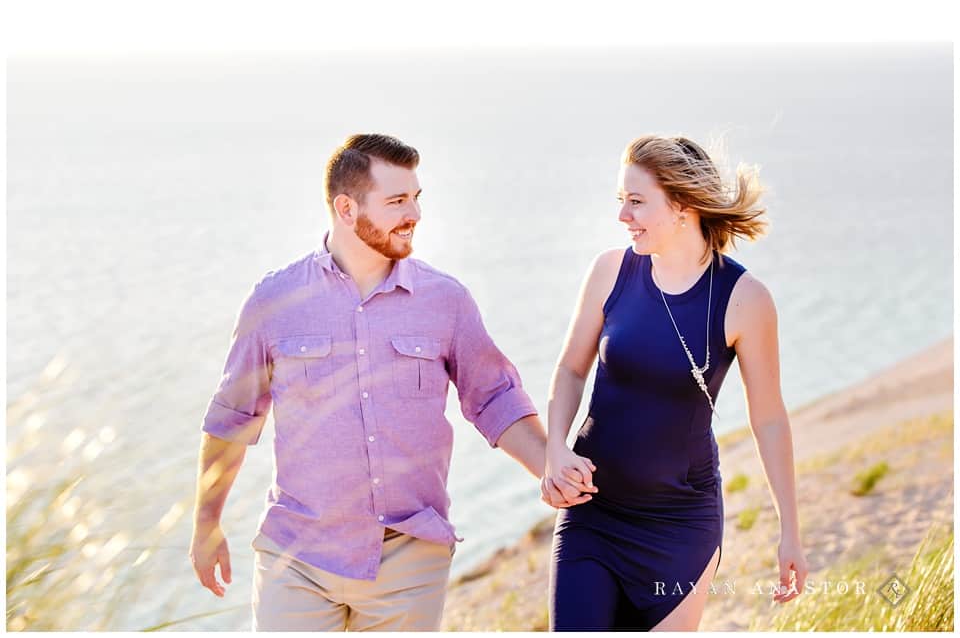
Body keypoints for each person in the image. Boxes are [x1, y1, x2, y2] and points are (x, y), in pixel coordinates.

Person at [189, 134, 593, 631]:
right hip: (296, 558)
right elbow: (232, 416)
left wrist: (551, 467)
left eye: (417, 198)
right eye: (397, 201)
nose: (415, 214)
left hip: (409, 558)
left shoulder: (446, 301)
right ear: (346, 208)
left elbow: (494, 399)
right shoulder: (275, 301)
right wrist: (207, 524)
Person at [541, 135, 809, 631]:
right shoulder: (610, 270)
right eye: (621, 201)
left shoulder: (745, 299)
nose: (623, 216)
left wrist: (789, 531)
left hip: (681, 528)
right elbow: (571, 369)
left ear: (682, 205)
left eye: (637, 202)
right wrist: (555, 450)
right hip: (593, 514)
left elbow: (769, 418)